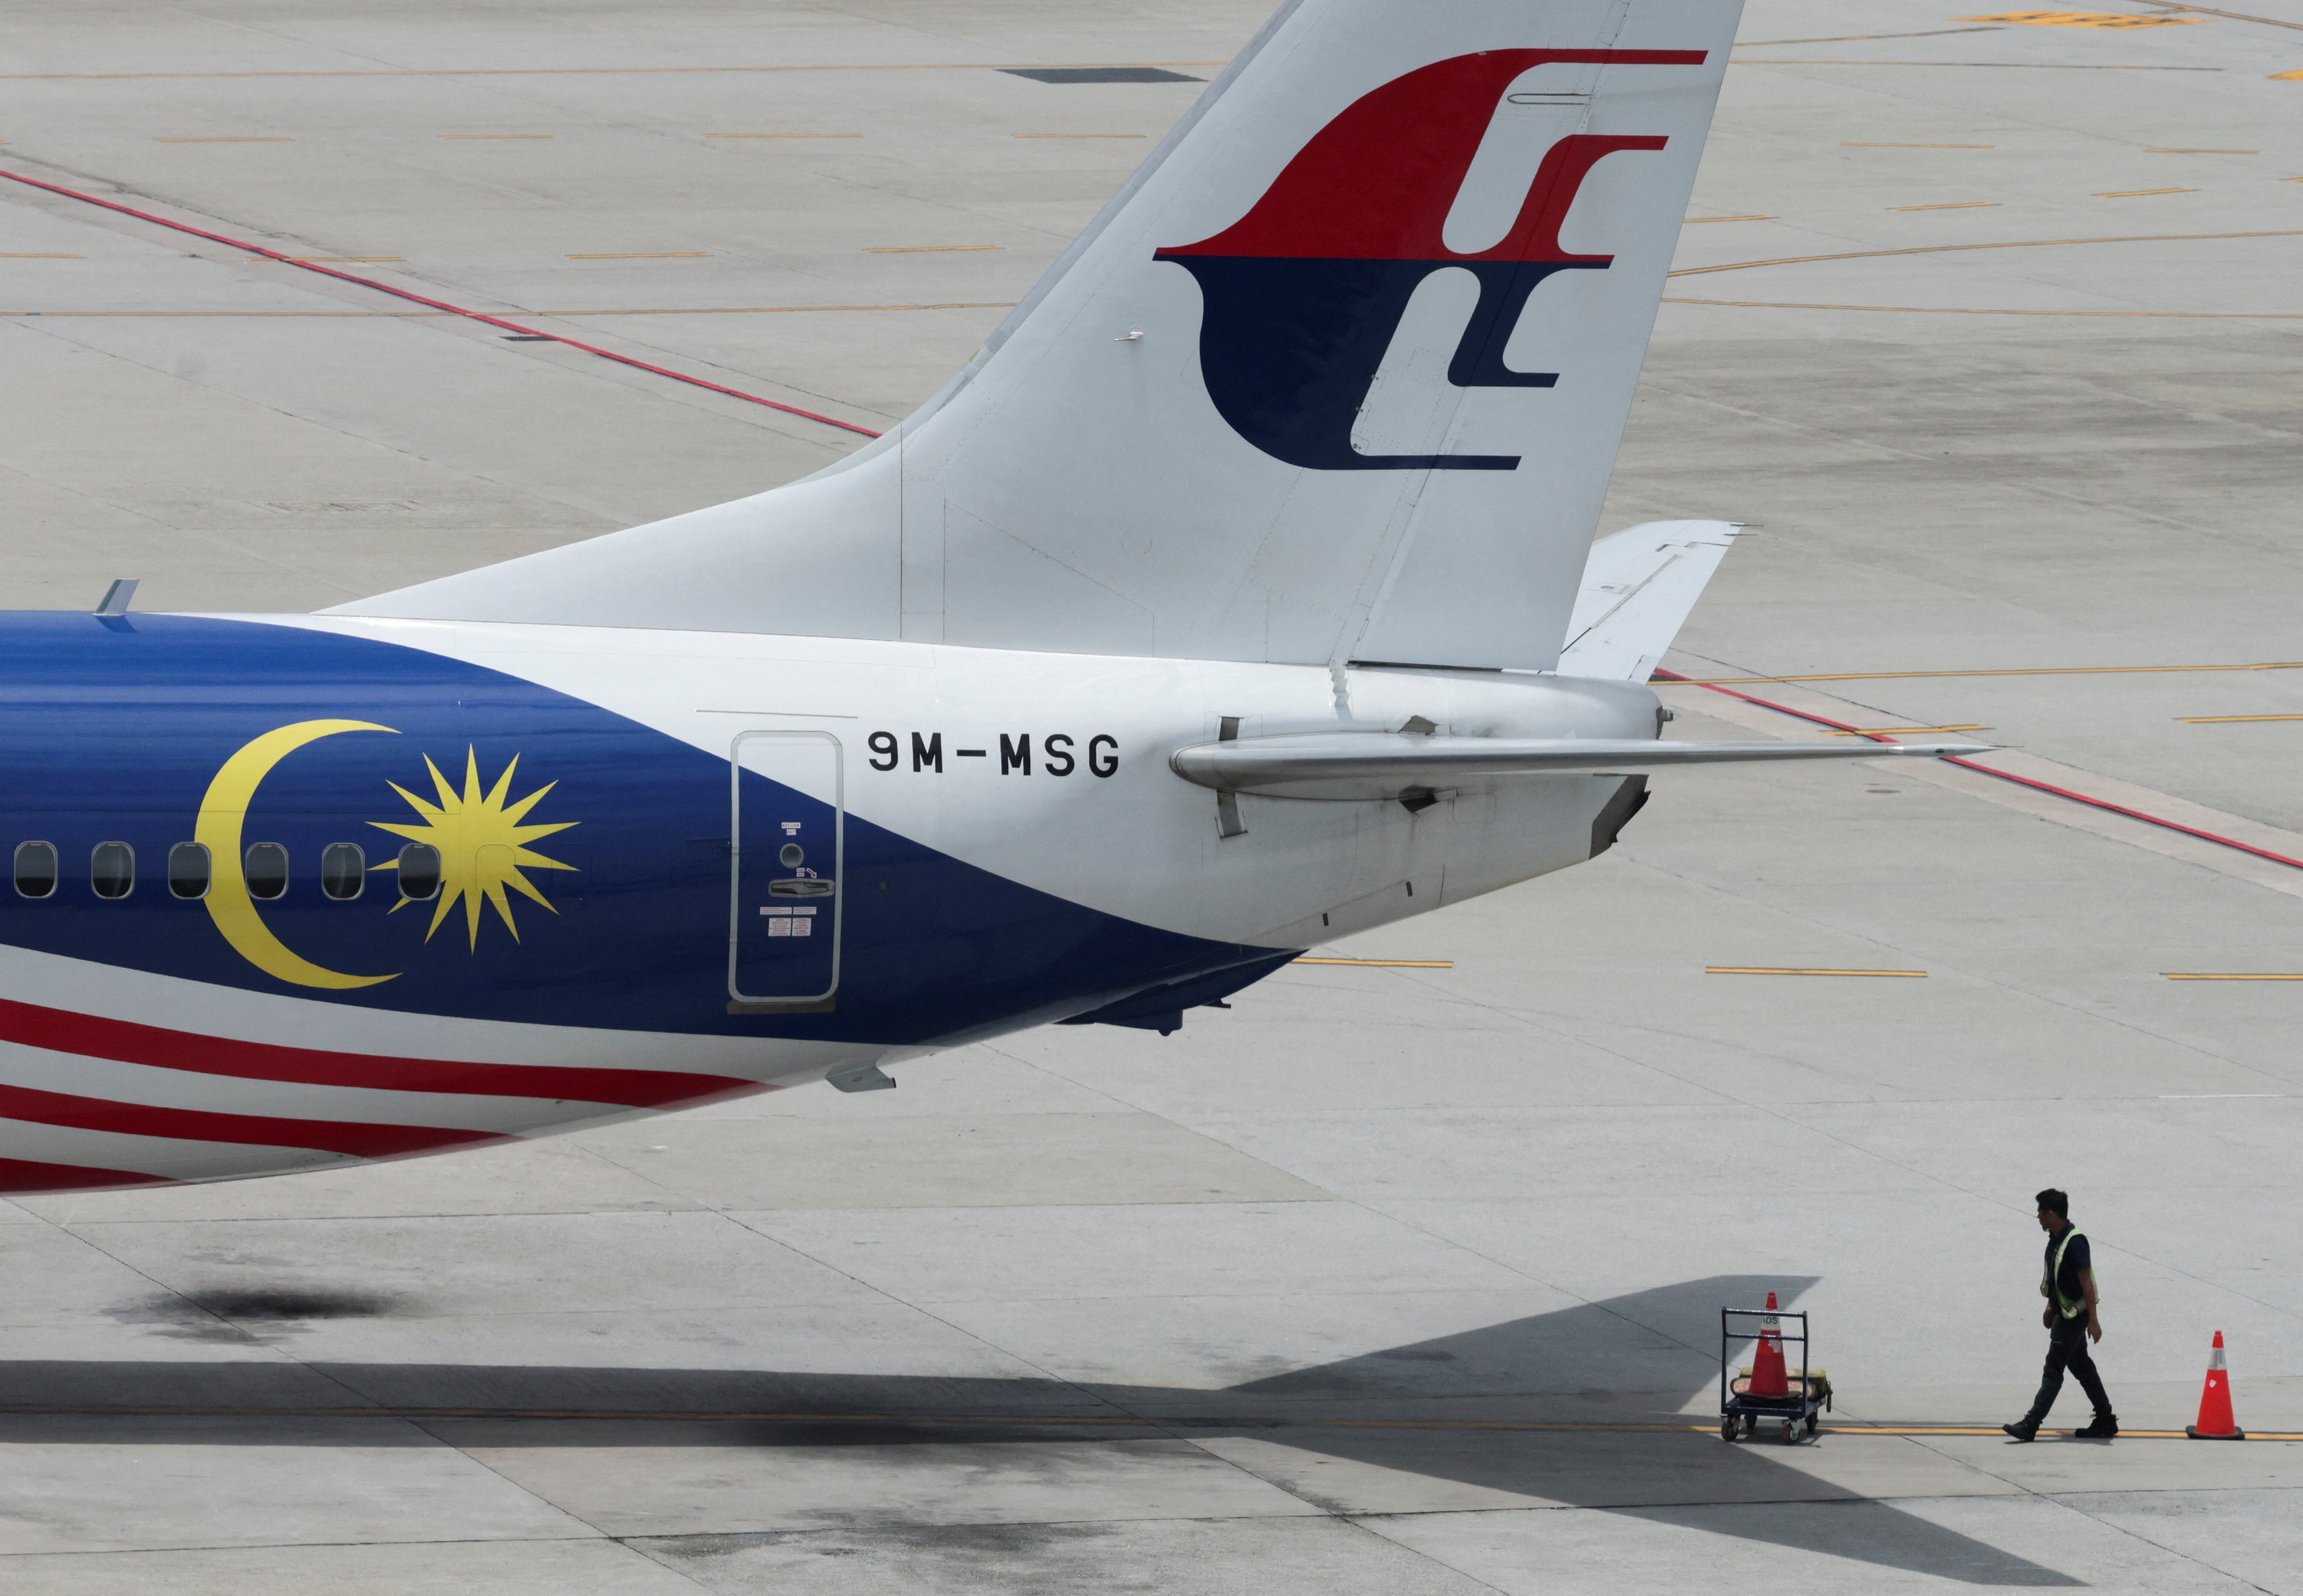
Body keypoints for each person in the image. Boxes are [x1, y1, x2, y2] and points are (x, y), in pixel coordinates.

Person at [2003, 1188, 2116, 1441]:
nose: (2039, 1218)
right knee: (2082, 1366)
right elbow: (2058, 1278)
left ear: (2051, 1214)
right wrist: (2050, 1306)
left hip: (2074, 1317)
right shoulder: (2056, 1239)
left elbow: (2087, 1283)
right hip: (2063, 1313)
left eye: (2041, 1213)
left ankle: (2031, 1423)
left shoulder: (2075, 1242)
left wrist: (2094, 1321)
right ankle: (2106, 1419)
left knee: (2053, 1369)